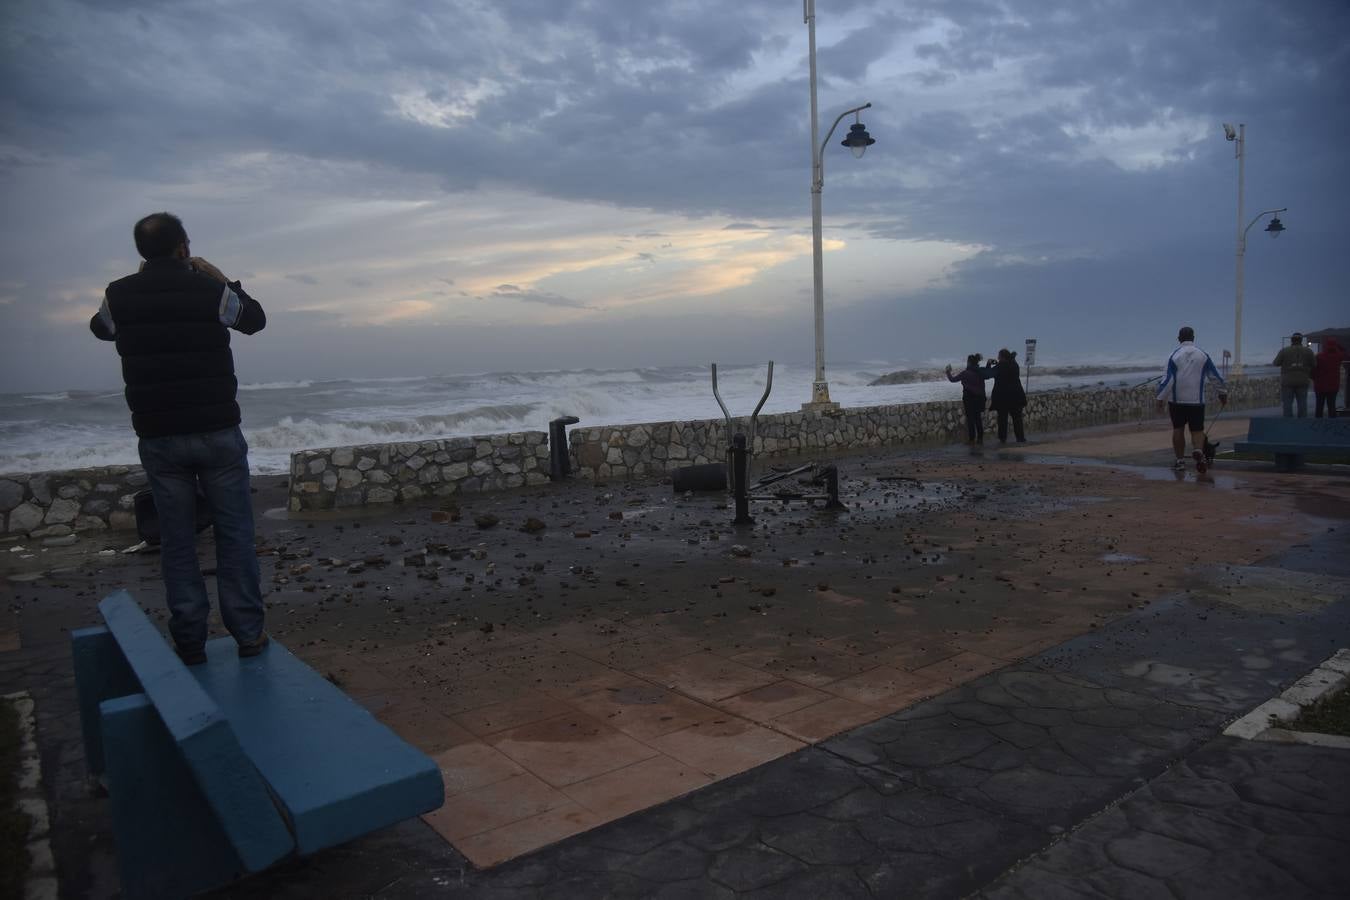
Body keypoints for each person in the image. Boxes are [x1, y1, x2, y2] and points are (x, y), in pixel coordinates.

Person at [90, 212, 269, 665]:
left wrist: (137, 287)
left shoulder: (119, 294)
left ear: (142, 251)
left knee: (176, 540)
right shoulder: (210, 290)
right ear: (184, 247)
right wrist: (225, 278)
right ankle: (248, 634)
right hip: (218, 435)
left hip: (160, 438)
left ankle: (190, 640)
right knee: (235, 534)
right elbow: (254, 320)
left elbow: (100, 328)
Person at [1155, 326, 1227, 473]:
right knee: (1197, 430)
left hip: (1177, 401)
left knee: (1178, 429)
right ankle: (1199, 451)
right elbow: (1214, 376)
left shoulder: (1173, 356)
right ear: (1193, 338)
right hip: (1197, 401)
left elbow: (1168, 380)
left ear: (1179, 338)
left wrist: (1160, 398)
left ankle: (1180, 461)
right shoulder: (1203, 355)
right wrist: (1222, 393)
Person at [946, 353, 994, 444]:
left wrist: (948, 371)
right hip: (980, 398)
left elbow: (953, 379)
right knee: (977, 418)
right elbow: (988, 373)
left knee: (970, 419)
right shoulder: (980, 372)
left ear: (969, 363)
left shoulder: (965, 373)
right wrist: (989, 364)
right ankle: (980, 438)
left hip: (968, 399)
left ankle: (972, 439)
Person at [986, 348, 1027, 443]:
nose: (998, 358)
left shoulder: (1000, 367)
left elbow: (988, 374)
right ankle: (1020, 438)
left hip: (1002, 398)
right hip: (1016, 396)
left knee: (1002, 419)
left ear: (1002, 357)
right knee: (1017, 419)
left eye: (999, 356)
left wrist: (989, 363)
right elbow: (1008, 366)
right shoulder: (1015, 365)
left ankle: (1002, 439)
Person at [1271, 332, 1315, 417]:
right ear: (1301, 340)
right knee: (1302, 403)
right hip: (1303, 380)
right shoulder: (1308, 351)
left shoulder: (1284, 351)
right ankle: (1302, 423)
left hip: (1287, 381)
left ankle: (1288, 423)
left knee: (1287, 404)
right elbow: (1314, 364)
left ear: (1292, 340)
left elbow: (1276, 363)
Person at [1312, 336, 1346, 418]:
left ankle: (1317, 424)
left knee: (1319, 406)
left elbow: (1313, 370)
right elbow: (1344, 352)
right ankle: (1332, 424)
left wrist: (1314, 378)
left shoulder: (1319, 356)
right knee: (1332, 406)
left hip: (1320, 385)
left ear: (1325, 346)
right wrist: (1338, 346)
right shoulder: (1338, 357)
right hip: (1333, 385)